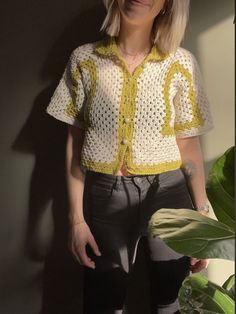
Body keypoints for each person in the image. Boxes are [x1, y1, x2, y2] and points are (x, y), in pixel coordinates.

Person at [46, 0, 213, 313]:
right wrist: (76, 219)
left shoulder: (181, 63)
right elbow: (75, 142)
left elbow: (188, 145)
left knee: (170, 294)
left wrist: (202, 213)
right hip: (105, 195)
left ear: (167, 5)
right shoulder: (85, 60)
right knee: (103, 298)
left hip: (169, 193)